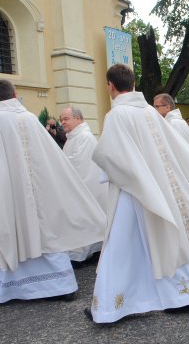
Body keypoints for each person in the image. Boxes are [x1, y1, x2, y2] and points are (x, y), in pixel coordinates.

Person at [87, 64, 189, 324]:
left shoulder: (117, 115)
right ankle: (187, 296)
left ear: (110, 85)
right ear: (133, 83)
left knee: (122, 245)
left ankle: (112, 306)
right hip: (161, 186)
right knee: (167, 238)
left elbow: (110, 157)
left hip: (132, 190)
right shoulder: (149, 111)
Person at [0, 79, 105, 306]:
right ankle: (60, 285)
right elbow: (50, 155)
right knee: (46, 233)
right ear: (15, 94)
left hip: (8, 194)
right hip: (36, 194)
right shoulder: (29, 118)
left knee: (3, 234)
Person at [60, 106, 107, 264]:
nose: (62, 122)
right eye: (61, 120)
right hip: (80, 186)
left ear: (78, 119)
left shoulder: (84, 137)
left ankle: (81, 255)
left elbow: (78, 163)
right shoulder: (73, 137)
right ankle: (90, 252)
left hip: (86, 186)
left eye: (66, 119)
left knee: (85, 219)